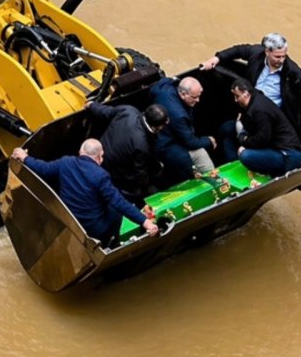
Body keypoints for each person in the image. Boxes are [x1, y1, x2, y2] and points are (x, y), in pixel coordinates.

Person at [11, 139, 159, 246]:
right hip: (93, 228)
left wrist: (24, 157)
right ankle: (110, 243)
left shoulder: (65, 163)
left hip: (69, 221)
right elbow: (118, 202)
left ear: (80, 152)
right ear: (100, 157)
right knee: (115, 208)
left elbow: (42, 168)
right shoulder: (101, 175)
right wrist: (145, 222)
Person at [199, 32, 301, 130]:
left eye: (284, 56)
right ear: (267, 52)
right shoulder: (256, 53)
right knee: (226, 129)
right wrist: (216, 59)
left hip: (270, 115)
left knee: (244, 133)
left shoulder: (292, 70)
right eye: (277, 57)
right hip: (249, 107)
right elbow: (237, 50)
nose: (281, 60)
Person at [85, 101, 170, 203]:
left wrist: (91, 105)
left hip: (101, 156)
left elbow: (105, 111)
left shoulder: (128, 110)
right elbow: (140, 173)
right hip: (116, 173)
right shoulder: (142, 145)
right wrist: (145, 186)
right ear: (159, 127)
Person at [221, 79, 301, 177]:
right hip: (271, 142)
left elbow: (263, 139)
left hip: (287, 154)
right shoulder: (254, 98)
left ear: (246, 94)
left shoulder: (260, 112)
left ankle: (262, 173)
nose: (235, 100)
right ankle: (234, 164)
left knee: (245, 156)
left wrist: (244, 141)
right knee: (226, 129)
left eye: (237, 96)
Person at [149, 76, 215, 185]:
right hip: (165, 145)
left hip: (162, 133)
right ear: (183, 94)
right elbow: (191, 142)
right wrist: (209, 140)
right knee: (190, 161)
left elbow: (155, 88)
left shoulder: (165, 86)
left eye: (199, 96)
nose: (198, 100)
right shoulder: (179, 115)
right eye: (194, 97)